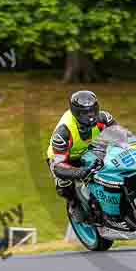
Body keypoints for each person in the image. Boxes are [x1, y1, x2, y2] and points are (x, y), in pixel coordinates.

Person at [46, 90, 115, 222]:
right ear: (75, 112)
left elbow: (120, 135)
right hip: (65, 158)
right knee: (64, 183)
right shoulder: (63, 132)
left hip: (90, 151)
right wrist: (80, 172)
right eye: (84, 113)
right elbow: (59, 167)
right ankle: (73, 203)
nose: (90, 116)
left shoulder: (104, 118)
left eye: (92, 110)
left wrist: (133, 142)